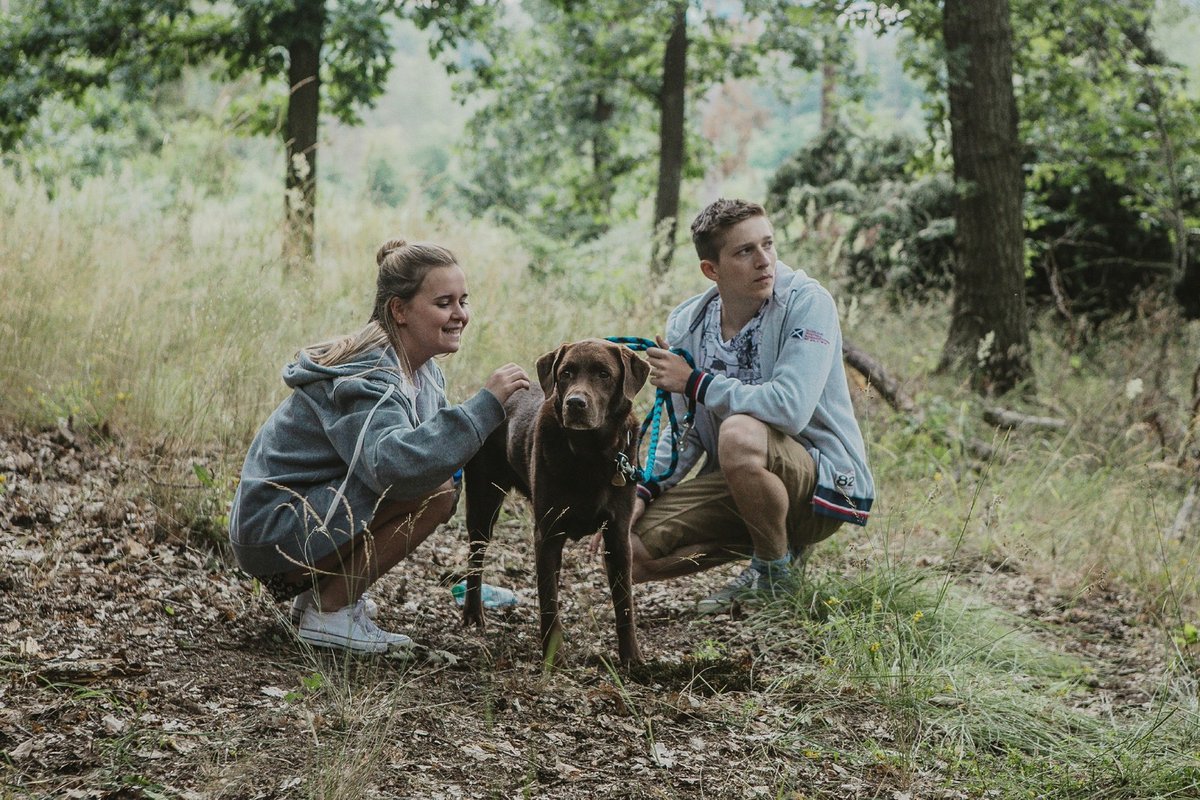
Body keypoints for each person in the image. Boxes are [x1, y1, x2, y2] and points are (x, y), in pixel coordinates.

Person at [228, 238, 530, 652]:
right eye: (444, 303)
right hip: (272, 533)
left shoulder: (423, 373)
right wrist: (483, 408)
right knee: (435, 492)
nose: (460, 314)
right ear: (399, 310)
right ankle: (330, 612)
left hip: (292, 525)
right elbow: (394, 468)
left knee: (440, 485)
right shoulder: (370, 374)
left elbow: (427, 452)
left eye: (464, 300)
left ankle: (315, 601)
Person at [599, 198, 874, 614]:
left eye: (768, 244)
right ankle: (779, 550)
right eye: (745, 251)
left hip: (821, 485)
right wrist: (645, 487)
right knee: (627, 549)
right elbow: (680, 428)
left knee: (738, 431)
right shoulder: (687, 325)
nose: (765, 261)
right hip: (743, 480)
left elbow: (790, 409)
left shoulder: (807, 303)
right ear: (712, 270)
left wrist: (696, 382)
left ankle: (772, 576)